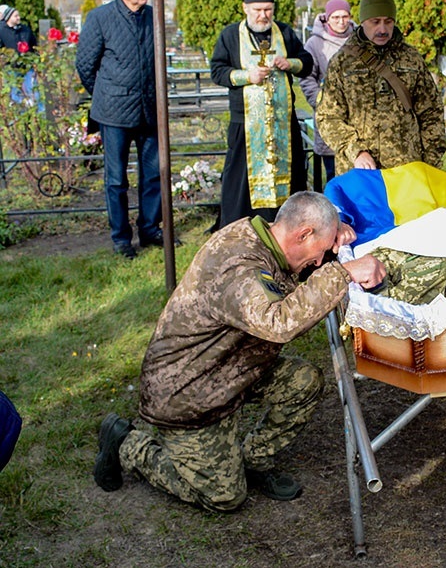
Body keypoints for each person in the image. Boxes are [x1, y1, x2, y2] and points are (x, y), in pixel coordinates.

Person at [93, 191, 385, 511]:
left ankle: (251, 462)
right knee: (224, 496)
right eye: (320, 250)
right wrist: (343, 273)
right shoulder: (239, 263)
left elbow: (296, 267)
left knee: (304, 380)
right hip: (186, 393)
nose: (320, 260)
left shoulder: (269, 238)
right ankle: (127, 444)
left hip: (231, 369)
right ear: (303, 233)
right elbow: (278, 321)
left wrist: (332, 234)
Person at [210, 0, 313, 229]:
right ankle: (239, 226)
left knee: (289, 177)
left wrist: (290, 63)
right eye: (257, 10)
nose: (263, 15)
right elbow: (217, 71)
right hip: (245, 122)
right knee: (240, 181)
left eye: (267, 9)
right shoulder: (230, 36)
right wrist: (248, 76)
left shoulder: (285, 33)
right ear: (245, 8)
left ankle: (286, 225)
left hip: (282, 124)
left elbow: (306, 62)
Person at [76, 0, 163, 259]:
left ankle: (150, 229)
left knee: (153, 175)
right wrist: (108, 93)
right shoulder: (101, 18)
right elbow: (85, 66)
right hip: (113, 113)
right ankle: (121, 239)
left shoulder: (153, 16)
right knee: (116, 179)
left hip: (149, 110)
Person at [316, 0, 445, 174]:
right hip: (361, 173)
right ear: (362, 21)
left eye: (388, 21)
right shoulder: (342, 62)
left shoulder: (411, 59)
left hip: (407, 173)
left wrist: (431, 166)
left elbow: (431, 113)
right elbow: (328, 117)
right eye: (375, 22)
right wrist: (356, 151)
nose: (383, 29)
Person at [302, 0, 354, 185]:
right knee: (335, 177)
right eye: (336, 18)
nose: (341, 22)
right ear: (327, 18)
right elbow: (307, 78)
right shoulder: (315, 44)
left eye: (345, 17)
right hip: (330, 116)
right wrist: (322, 102)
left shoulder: (361, 40)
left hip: (359, 117)